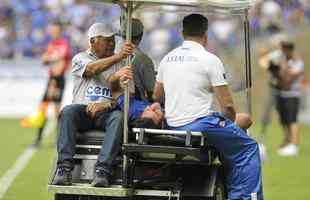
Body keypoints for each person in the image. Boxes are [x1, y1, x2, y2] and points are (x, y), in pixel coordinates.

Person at [153, 14, 263, 200]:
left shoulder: (167, 59)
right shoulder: (209, 59)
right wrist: (229, 124)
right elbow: (227, 106)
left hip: (173, 125)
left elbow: (157, 95)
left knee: (230, 142)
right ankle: (246, 197)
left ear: (182, 33)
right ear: (205, 35)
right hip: (200, 124)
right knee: (248, 147)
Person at [52, 22, 134, 187]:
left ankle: (103, 171)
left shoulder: (123, 64)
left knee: (118, 117)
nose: (112, 43)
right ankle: (64, 168)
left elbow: (129, 95)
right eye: (107, 40)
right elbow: (91, 70)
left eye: (113, 40)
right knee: (67, 111)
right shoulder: (80, 58)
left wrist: (107, 104)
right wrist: (118, 57)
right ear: (92, 41)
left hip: (108, 111)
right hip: (83, 110)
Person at [21, 21, 72, 147]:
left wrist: (50, 58)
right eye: (52, 30)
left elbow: (58, 60)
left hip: (58, 79)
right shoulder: (51, 44)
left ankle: (59, 140)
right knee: (43, 108)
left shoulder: (63, 44)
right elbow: (45, 60)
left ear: (60, 31)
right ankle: (38, 139)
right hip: (51, 79)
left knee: (56, 111)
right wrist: (51, 59)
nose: (53, 33)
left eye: (55, 30)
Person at [263, 40, 304, 156]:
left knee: (292, 120)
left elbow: (290, 77)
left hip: (292, 94)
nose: (284, 52)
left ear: (290, 49)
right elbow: (264, 61)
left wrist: (281, 68)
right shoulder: (281, 59)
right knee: (284, 120)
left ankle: (294, 145)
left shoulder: (297, 61)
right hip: (281, 94)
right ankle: (287, 142)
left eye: (285, 49)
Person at [120, 18, 156, 102]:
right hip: (135, 105)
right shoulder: (143, 59)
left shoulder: (111, 52)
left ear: (121, 34)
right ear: (141, 35)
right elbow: (151, 91)